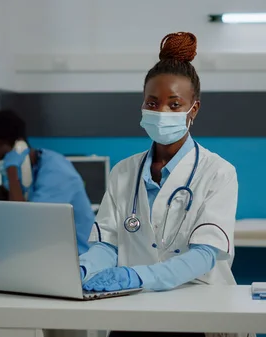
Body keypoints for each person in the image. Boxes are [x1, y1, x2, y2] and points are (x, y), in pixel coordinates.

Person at [78, 32, 241, 337]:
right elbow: (107, 242)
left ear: (194, 110)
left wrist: (138, 276)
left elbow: (204, 255)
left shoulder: (218, 172)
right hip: (134, 312)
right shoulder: (124, 171)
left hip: (197, 313)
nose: (161, 112)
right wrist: (83, 268)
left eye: (174, 104)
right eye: (152, 103)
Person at [0, 109, 95, 255]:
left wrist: (12, 171)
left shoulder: (58, 174)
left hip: (79, 259)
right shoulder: (27, 170)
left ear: (19, 147)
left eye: (1, 158)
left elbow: (26, 225)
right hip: (47, 253)